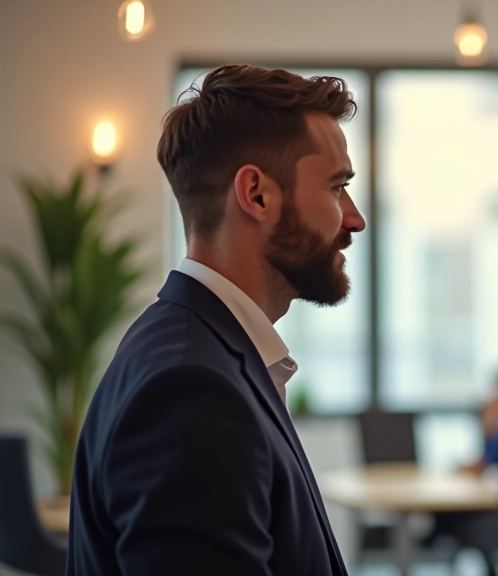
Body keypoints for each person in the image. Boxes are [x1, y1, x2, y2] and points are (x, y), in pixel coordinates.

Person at [67, 65, 365, 575]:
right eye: (337, 186)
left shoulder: (193, 351)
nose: (354, 218)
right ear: (257, 194)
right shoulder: (191, 388)